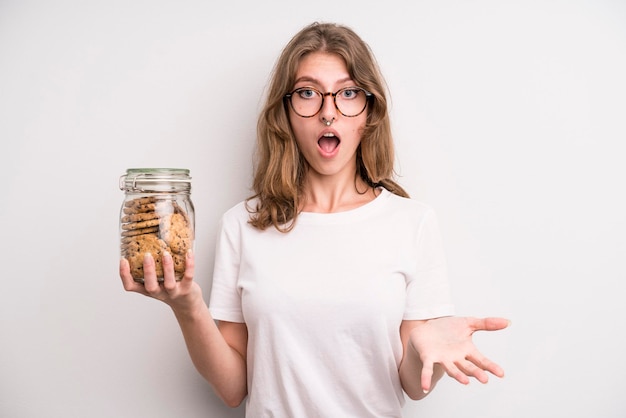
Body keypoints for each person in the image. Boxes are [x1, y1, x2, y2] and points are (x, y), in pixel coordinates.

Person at [120, 21, 509, 417]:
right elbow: (234, 389)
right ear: (286, 112)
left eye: (348, 93)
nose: (328, 113)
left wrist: (431, 348)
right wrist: (188, 306)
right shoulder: (242, 225)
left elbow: (412, 385)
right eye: (308, 93)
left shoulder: (413, 223)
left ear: (368, 111)